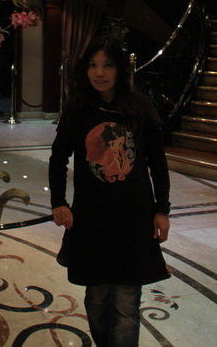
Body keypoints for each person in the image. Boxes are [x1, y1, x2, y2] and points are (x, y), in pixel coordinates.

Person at [49, 35, 170, 347]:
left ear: (120, 69)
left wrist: (162, 209)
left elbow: (157, 162)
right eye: (93, 65)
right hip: (92, 218)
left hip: (134, 218)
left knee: (127, 305)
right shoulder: (79, 107)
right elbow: (58, 158)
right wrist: (58, 202)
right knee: (97, 299)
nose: (99, 72)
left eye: (107, 65)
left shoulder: (140, 106)